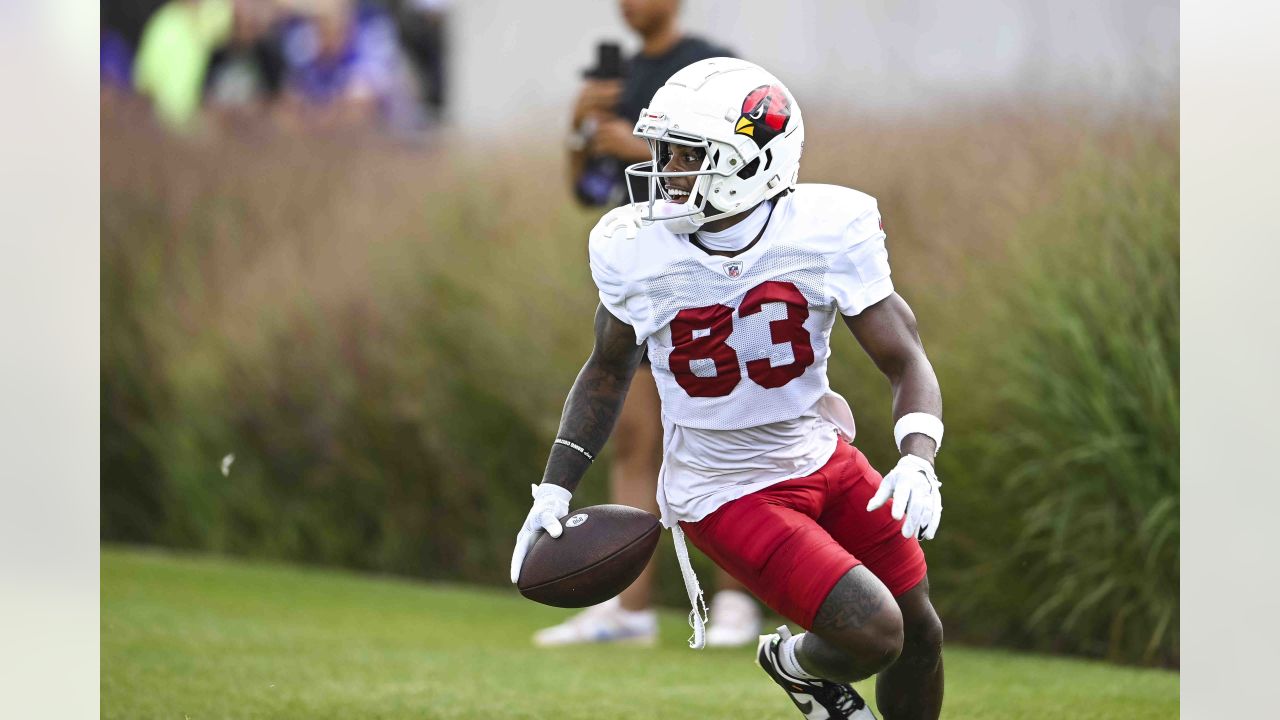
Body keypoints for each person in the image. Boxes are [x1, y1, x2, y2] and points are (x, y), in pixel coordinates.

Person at [512, 58, 946, 720]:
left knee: (920, 633)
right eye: (666, 151)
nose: (668, 170)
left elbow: (904, 357)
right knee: (877, 632)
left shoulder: (827, 229)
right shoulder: (639, 248)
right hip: (723, 489)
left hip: (819, 453)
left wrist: (918, 456)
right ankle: (796, 663)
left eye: (689, 155)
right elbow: (606, 367)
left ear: (755, 163)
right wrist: (554, 487)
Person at [538, 0, 762, 648]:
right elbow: (588, 190)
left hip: (708, 275)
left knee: (720, 437)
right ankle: (628, 611)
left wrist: (634, 143)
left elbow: (739, 164)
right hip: (642, 279)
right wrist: (578, 130)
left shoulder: (709, 68)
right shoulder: (621, 76)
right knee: (637, 441)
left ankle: (736, 603)